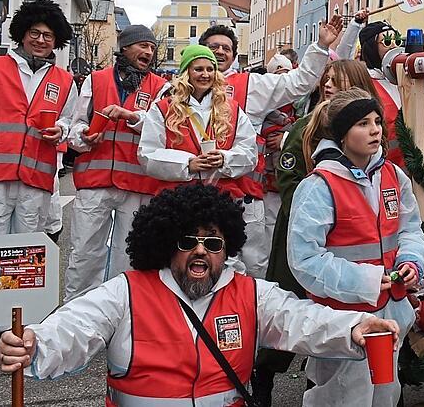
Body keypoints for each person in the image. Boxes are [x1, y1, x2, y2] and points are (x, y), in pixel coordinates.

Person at [0, 183, 400, 404]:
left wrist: (354, 328)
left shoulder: (252, 295)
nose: (202, 250)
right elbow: (75, 325)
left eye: (214, 242)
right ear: (167, 243)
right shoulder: (125, 293)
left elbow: (304, 319)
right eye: (189, 240)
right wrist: (35, 343)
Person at [0, 0, 78, 370]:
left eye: (48, 36)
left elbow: (69, 123)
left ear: (57, 41)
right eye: (35, 33)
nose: (41, 40)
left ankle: (15, 328)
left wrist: (62, 131)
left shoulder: (64, 80)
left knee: (24, 259)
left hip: (35, 180)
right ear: (22, 33)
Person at [288, 88, 424, 407]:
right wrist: (364, 281)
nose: (375, 129)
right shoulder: (318, 187)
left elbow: (410, 229)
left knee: (385, 395)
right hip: (341, 322)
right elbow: (304, 261)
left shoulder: (394, 176)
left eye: (377, 121)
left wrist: (411, 261)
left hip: (389, 317)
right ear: (341, 133)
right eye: (363, 123)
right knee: (342, 398)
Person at [199, 21, 334, 278]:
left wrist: (321, 46)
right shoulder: (181, 89)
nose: (219, 52)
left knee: (253, 265)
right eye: (213, 46)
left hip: (244, 194)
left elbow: (299, 82)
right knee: (205, 262)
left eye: (226, 48)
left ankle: (252, 314)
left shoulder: (251, 85)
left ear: (234, 55)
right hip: (199, 195)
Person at [65, 25, 169, 300]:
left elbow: (162, 129)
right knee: (84, 254)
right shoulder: (95, 80)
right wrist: (84, 136)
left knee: (128, 257)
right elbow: (76, 126)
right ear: (124, 48)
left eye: (151, 48)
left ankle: (121, 314)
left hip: (137, 183)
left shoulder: (161, 87)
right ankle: (77, 315)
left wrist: (130, 115)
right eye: (143, 46)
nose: (149, 52)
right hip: (94, 181)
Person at [138, 44, 258, 275]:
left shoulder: (232, 109)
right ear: (186, 73)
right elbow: (147, 154)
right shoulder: (163, 109)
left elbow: (249, 153)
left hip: (221, 201)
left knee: (224, 262)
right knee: (177, 259)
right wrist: (187, 164)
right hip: (177, 201)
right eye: (198, 69)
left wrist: (224, 158)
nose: (205, 74)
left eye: (210, 69)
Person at [357, 20, 407, 168]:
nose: (394, 46)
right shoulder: (364, 84)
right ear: (372, 48)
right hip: (378, 168)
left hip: (408, 171)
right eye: (386, 41)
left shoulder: (405, 80)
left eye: (397, 40)